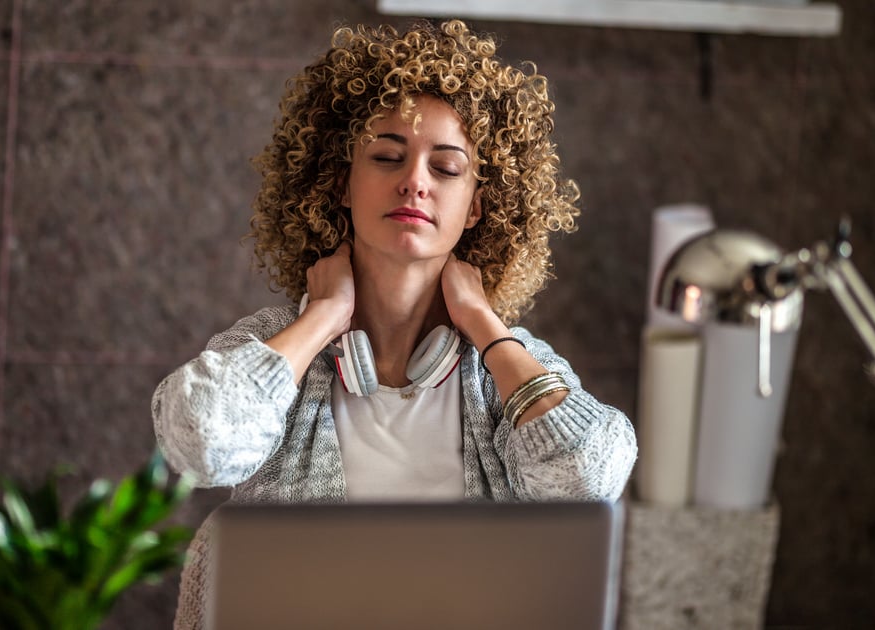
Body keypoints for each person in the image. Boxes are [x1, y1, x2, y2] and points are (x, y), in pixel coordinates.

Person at [151, 18, 636, 628]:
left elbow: (591, 480)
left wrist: (485, 326)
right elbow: (199, 443)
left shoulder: (507, 366)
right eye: (386, 156)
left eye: (447, 168)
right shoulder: (274, 348)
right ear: (342, 184)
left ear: (478, 204)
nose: (415, 182)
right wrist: (323, 318)